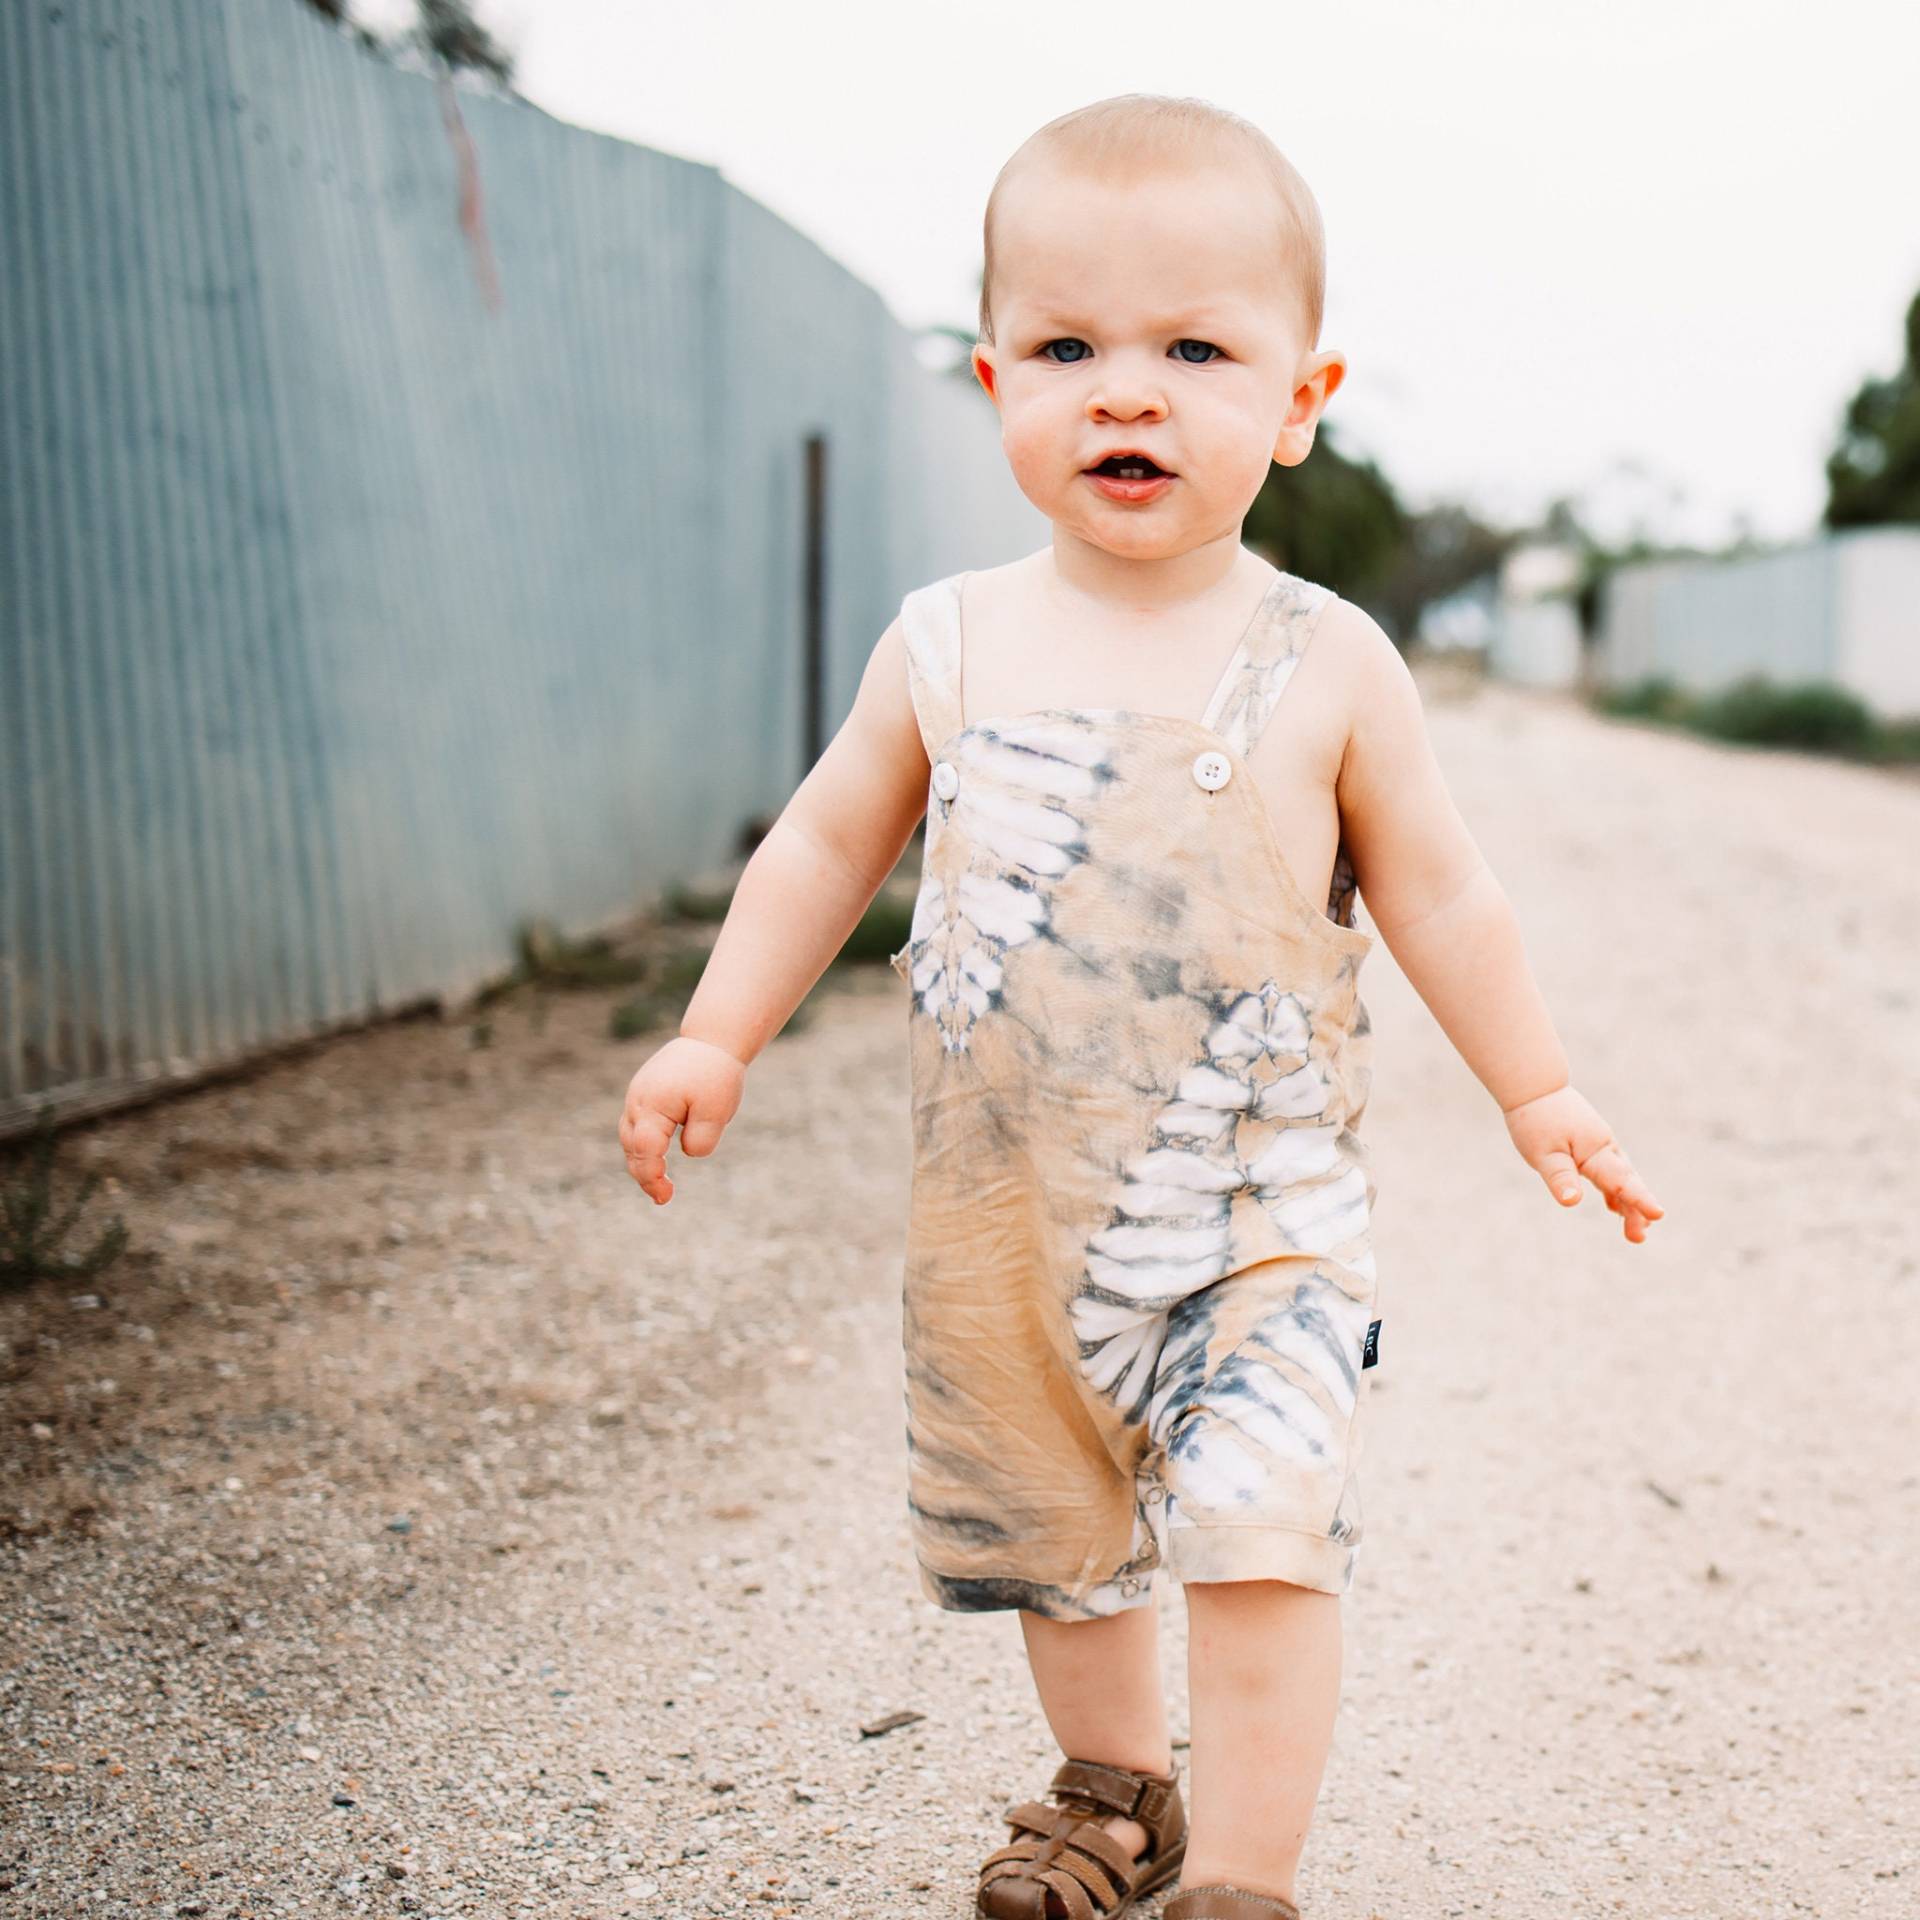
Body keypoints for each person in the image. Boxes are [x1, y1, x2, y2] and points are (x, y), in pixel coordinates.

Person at [617, 92, 1665, 1920]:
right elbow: (817, 844)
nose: (1127, 390)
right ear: (992, 376)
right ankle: (1117, 1796)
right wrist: (715, 1030)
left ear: (1301, 398)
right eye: (1068, 346)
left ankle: (1242, 1880)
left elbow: (1440, 888)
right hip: (1008, 1218)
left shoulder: (1327, 656)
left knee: (1261, 1525)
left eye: (1195, 348)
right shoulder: (945, 640)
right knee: (1062, 1541)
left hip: (1258, 1218)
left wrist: (1540, 1089)